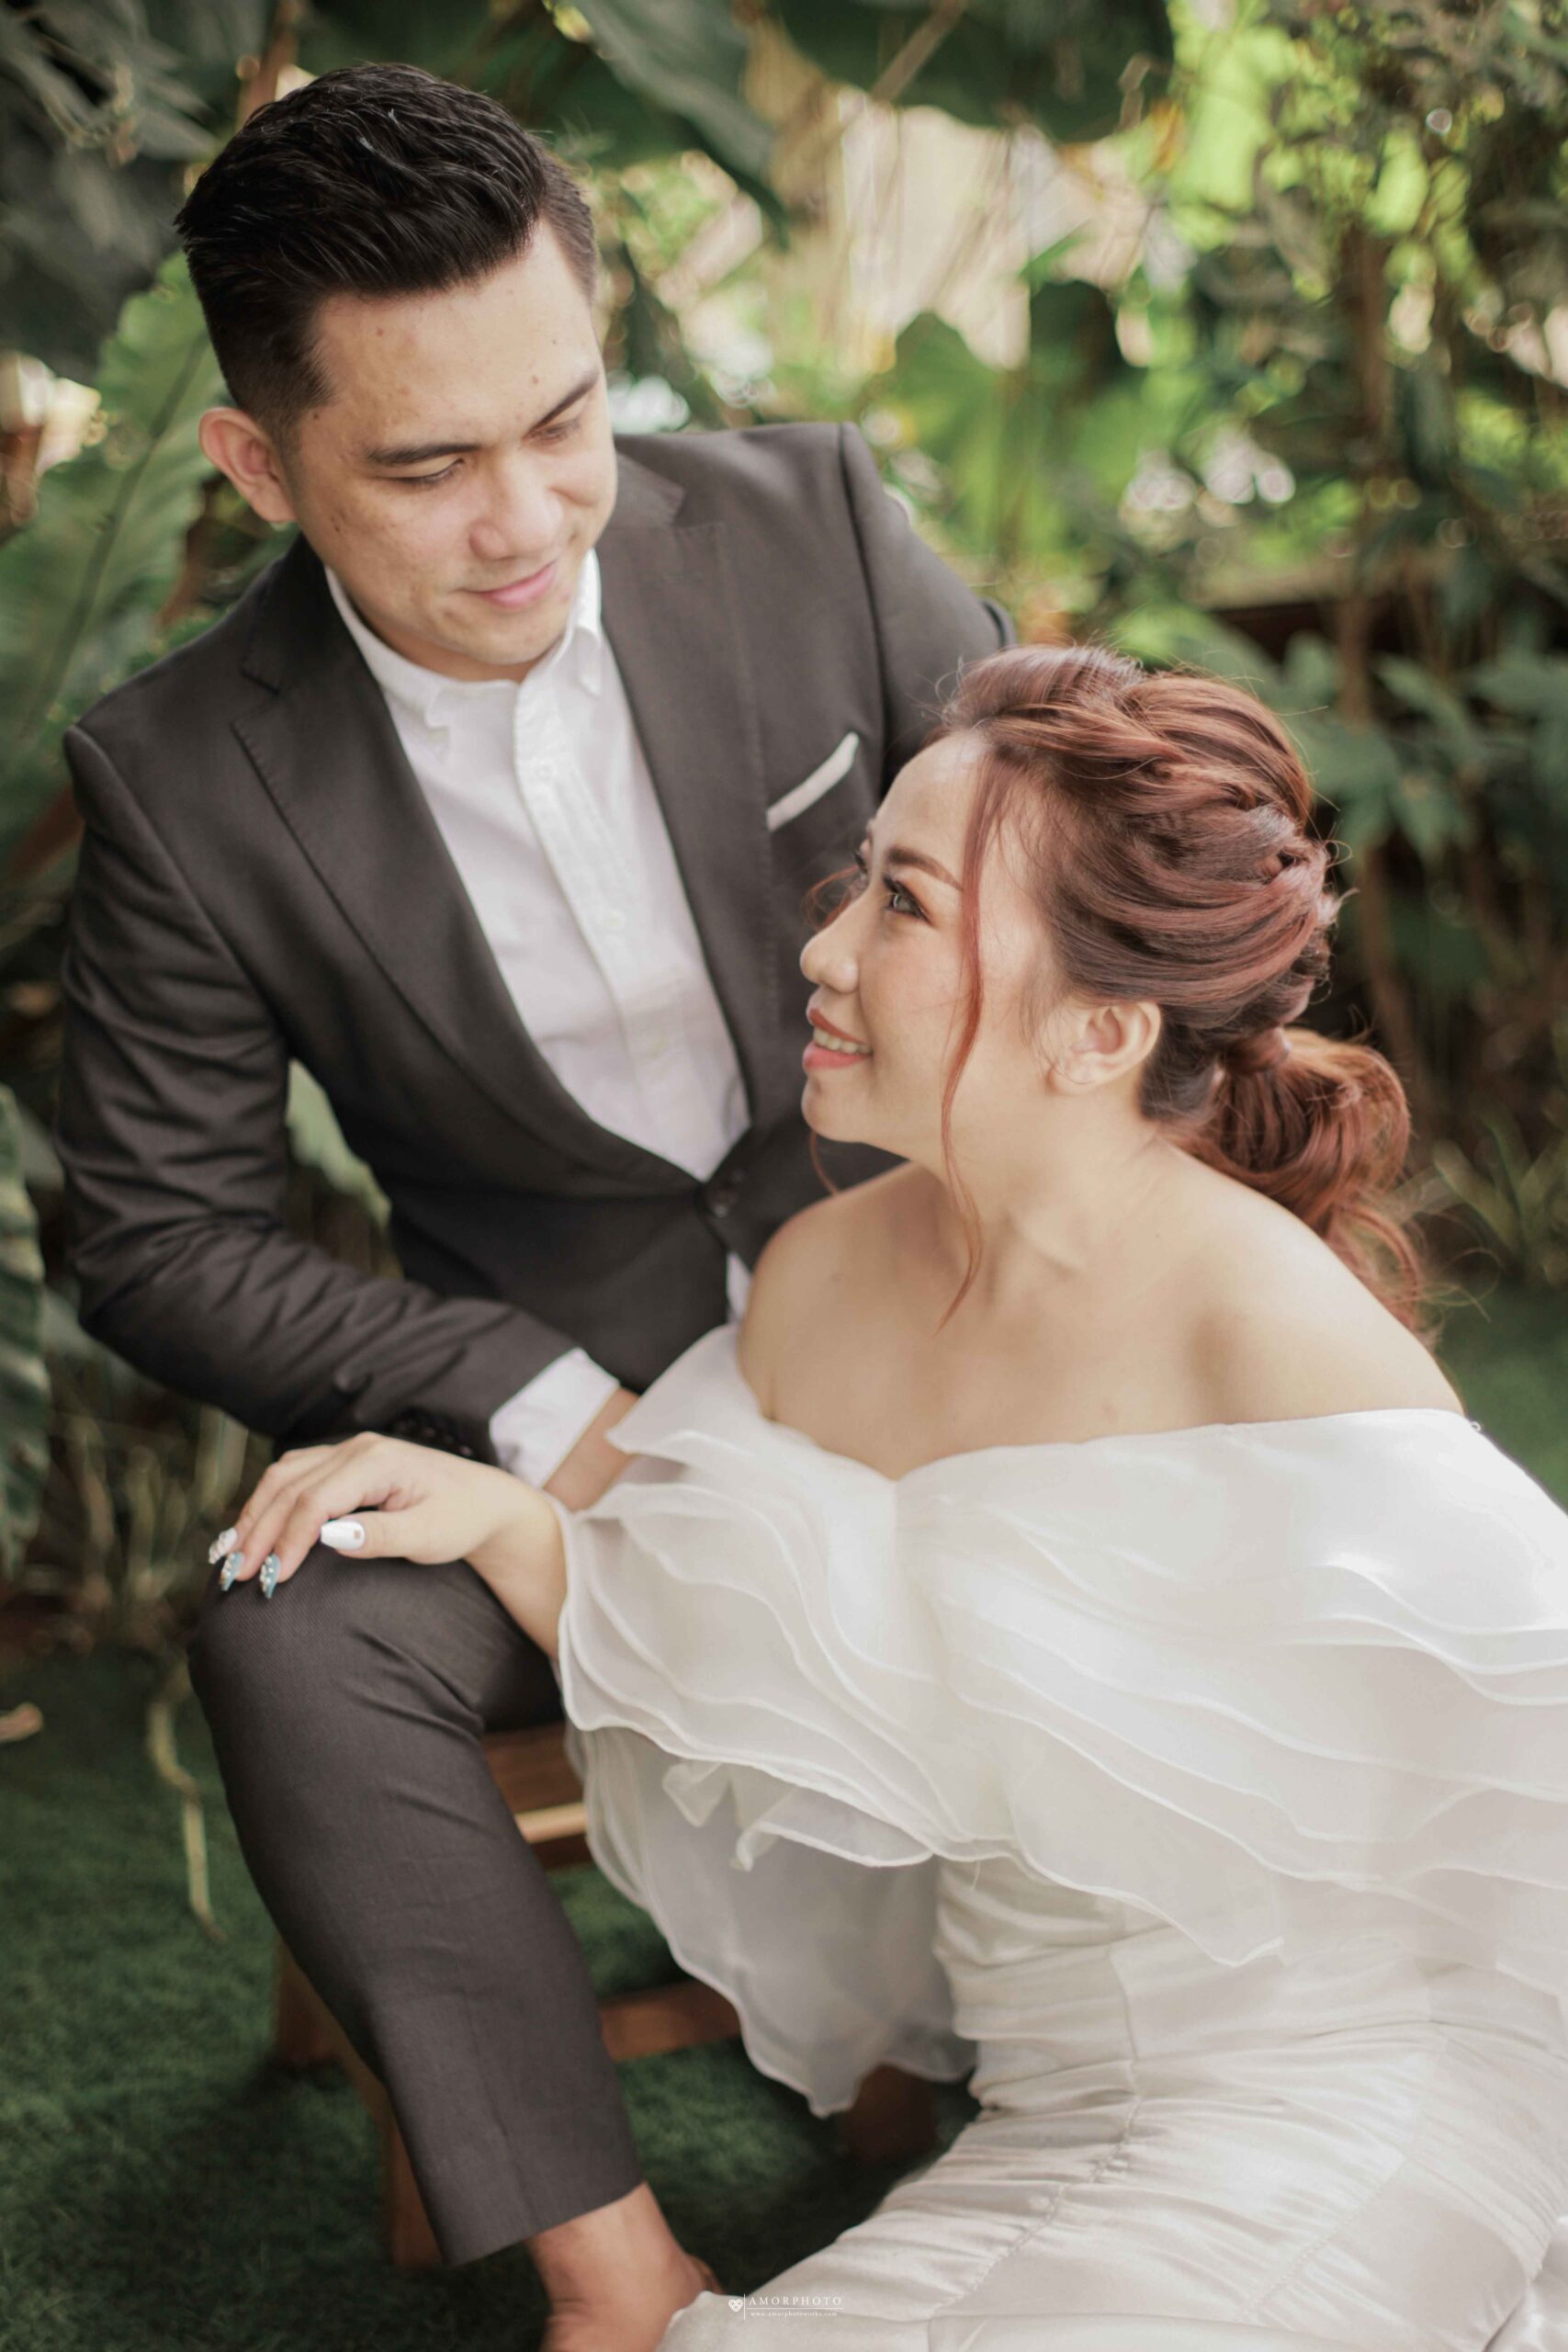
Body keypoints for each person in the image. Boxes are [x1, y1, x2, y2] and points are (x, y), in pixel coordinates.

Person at [224, 643, 1568, 2352]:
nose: (824, 948)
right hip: (1046, 2130)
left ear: (1100, 1031)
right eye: (860, 881)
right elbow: (762, 1656)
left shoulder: (1270, 1332)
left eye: (907, 906)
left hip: (1349, 2110)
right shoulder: (819, 1282)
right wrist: (512, 1523)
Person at [50, 58, 1011, 2349]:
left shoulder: (813, 522)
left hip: (965, 1336)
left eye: (563, 417)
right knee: (292, 1626)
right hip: (568, 1418)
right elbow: (155, 1231)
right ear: (255, 465)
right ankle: (617, 2278)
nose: (523, 518)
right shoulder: (179, 775)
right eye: (425, 464)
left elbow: (1080, 872)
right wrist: (520, 1388)